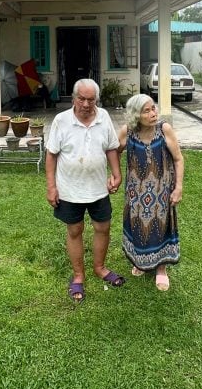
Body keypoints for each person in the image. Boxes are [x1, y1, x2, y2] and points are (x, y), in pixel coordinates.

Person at [45, 78, 125, 302]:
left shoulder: (104, 117)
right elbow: (51, 155)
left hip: (98, 188)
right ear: (74, 98)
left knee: (103, 227)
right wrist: (51, 186)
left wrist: (117, 174)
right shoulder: (61, 121)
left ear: (96, 100)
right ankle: (79, 275)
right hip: (70, 189)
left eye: (91, 100)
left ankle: (100, 268)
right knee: (75, 230)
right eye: (81, 99)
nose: (86, 104)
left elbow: (111, 148)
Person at [117, 93, 184, 291]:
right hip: (135, 194)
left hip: (161, 192)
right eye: (146, 111)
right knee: (137, 225)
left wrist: (178, 187)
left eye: (153, 108)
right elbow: (113, 151)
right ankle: (140, 261)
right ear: (136, 115)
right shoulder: (128, 131)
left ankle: (161, 269)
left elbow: (178, 159)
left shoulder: (164, 130)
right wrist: (115, 175)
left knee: (160, 227)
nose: (153, 113)